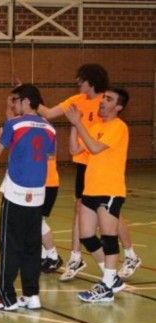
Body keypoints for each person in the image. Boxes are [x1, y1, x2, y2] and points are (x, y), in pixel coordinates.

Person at [39, 64, 141, 281]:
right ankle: (78, 257)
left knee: (110, 219)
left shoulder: (111, 113)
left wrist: (79, 124)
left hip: (103, 167)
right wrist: (32, 96)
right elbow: (50, 116)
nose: (78, 83)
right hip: (87, 167)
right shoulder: (78, 102)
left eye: (81, 80)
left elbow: (96, 143)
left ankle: (127, 256)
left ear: (91, 82)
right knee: (85, 214)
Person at [0, 84, 55, 311]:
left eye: (16, 101)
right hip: (38, 193)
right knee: (32, 246)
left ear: (25, 102)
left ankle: (6, 297)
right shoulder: (50, 128)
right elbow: (48, 155)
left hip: (16, 191)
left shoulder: (13, 124)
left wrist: (1, 139)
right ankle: (31, 294)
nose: (14, 105)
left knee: (9, 245)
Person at [65, 88, 129, 303]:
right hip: (90, 190)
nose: (103, 101)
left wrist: (80, 124)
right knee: (86, 236)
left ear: (118, 107)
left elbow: (93, 147)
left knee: (108, 237)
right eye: (103, 98)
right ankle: (112, 279)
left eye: (108, 99)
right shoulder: (95, 126)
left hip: (109, 189)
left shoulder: (119, 127)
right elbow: (74, 149)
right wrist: (76, 124)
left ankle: (107, 286)